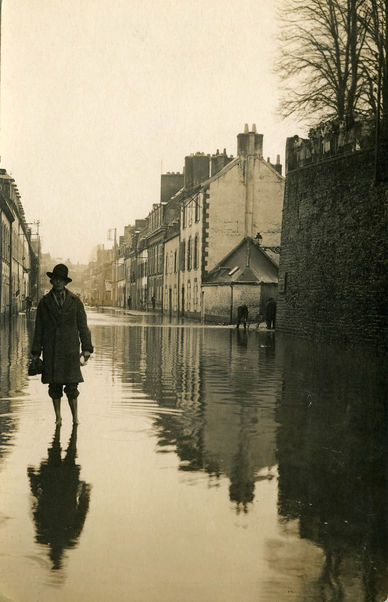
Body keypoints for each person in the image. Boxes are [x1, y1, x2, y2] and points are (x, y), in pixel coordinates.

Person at [30, 264, 93, 425]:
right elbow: (39, 329)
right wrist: (36, 353)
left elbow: (83, 327)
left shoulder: (75, 301)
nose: (57, 282)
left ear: (65, 282)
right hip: (51, 350)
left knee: (72, 386)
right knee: (54, 386)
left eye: (61, 280)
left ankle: (75, 418)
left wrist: (86, 349)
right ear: (51, 281)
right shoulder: (44, 303)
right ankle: (58, 417)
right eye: (55, 279)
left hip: (70, 351)